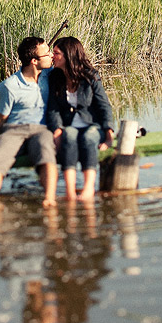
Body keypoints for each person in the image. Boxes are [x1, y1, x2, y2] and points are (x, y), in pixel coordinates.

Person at [0, 36, 57, 208]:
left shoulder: (51, 76)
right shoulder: (9, 86)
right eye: (47, 54)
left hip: (41, 130)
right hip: (14, 130)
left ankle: (49, 197)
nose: (51, 56)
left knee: (46, 151)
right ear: (34, 61)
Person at [47, 36, 115, 201]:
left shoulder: (90, 76)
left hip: (92, 125)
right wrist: (56, 130)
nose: (52, 56)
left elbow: (103, 105)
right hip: (69, 125)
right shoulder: (55, 77)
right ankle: (70, 192)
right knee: (69, 136)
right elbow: (53, 108)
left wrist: (109, 133)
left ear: (68, 55)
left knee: (88, 137)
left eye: (56, 53)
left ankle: (88, 188)